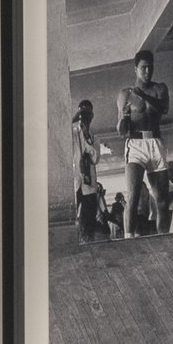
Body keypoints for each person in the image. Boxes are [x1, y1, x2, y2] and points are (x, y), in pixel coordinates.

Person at [117, 47, 173, 238]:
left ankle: (163, 239)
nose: (148, 71)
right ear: (135, 69)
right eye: (143, 68)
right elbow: (121, 131)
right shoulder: (125, 94)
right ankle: (128, 238)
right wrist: (124, 118)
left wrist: (143, 95)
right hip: (135, 145)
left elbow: (164, 108)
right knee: (133, 197)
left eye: (150, 67)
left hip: (156, 143)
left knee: (162, 199)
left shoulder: (160, 89)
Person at [69, 97, 106, 239]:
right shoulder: (72, 134)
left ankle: (88, 240)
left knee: (89, 218)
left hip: (89, 184)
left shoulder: (95, 139)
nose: (85, 117)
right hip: (75, 182)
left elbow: (95, 159)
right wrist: (73, 119)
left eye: (87, 114)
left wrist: (86, 137)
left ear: (92, 116)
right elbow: (59, 133)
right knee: (70, 215)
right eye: (82, 113)